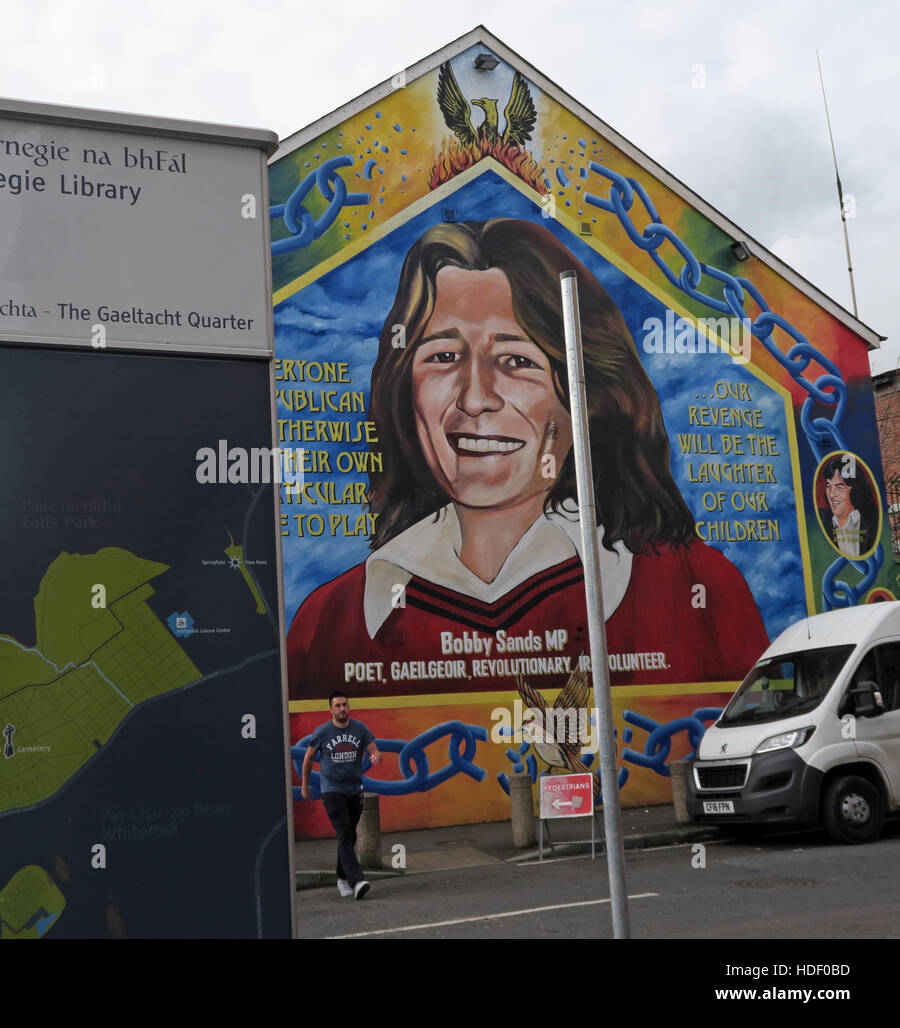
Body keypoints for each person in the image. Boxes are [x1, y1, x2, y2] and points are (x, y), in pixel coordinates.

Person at [287, 219, 769, 698]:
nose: (475, 399)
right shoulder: (330, 622)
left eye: (517, 362)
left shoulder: (694, 590)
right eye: (442, 358)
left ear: (588, 394)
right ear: (403, 390)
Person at [299, 691, 382, 899]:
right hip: (331, 790)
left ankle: (341, 878)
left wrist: (375, 756)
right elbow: (308, 758)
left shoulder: (360, 729)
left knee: (350, 835)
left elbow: (375, 750)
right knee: (344, 832)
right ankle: (357, 880)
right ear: (331, 710)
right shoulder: (322, 732)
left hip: (354, 790)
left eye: (344, 705)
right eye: (337, 706)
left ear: (349, 707)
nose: (342, 709)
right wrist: (305, 785)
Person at [820, 454, 877, 558]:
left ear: (854, 489)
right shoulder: (820, 520)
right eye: (828, 486)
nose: (832, 494)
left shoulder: (872, 520)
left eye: (839, 487)